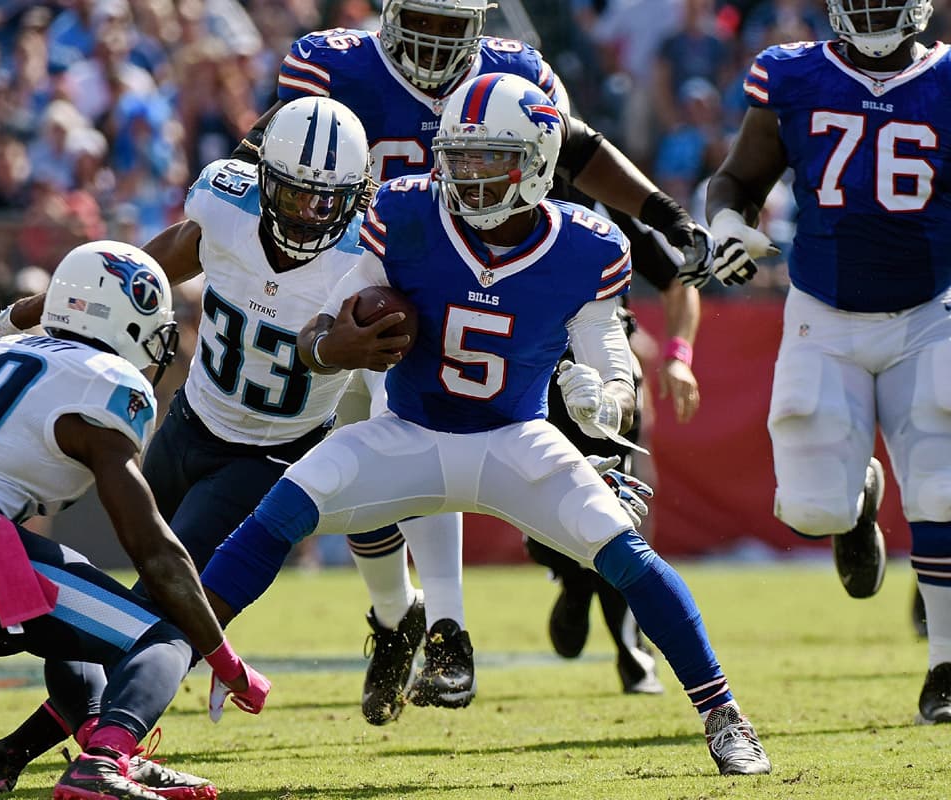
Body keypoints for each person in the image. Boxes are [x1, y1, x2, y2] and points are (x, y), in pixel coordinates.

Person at [200, 72, 771, 777]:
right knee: (279, 510)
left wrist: (609, 391)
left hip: (515, 440)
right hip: (407, 431)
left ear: (535, 162)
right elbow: (333, 321)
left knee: (622, 551)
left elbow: (608, 345)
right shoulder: (406, 213)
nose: (463, 175)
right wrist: (327, 345)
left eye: (484, 160)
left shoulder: (588, 244)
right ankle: (184, 664)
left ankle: (724, 716)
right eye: (456, 156)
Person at [0, 96, 376, 795]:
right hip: (187, 427)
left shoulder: (370, 257)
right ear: (263, 177)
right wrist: (28, 317)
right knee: (127, 605)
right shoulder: (225, 204)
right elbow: (132, 280)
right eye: (294, 192)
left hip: (268, 458)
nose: (305, 212)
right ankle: (75, 749)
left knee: (159, 606)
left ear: (355, 197)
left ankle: (27, 751)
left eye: (323, 200)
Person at [0, 240, 270, 800]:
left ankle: (77, 754)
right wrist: (224, 658)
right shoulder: (104, 380)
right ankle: (103, 762)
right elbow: (152, 549)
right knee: (164, 638)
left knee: (74, 629)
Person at [705, 0, 951, 725]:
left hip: (930, 312)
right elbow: (737, 180)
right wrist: (724, 224)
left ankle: (944, 665)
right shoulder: (794, 75)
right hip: (824, 313)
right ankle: (856, 507)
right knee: (811, 507)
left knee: (942, 491)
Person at [524, 202, 701, 695]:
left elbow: (676, 278)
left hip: (604, 375)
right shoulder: (482, 200)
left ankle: (632, 648)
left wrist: (678, 355)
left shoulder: (602, 205)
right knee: (539, 511)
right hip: (525, 372)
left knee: (614, 505)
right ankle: (571, 576)